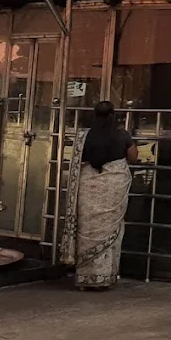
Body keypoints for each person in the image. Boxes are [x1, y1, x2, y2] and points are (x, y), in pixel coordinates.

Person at [59, 101, 138, 290]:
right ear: (113, 115)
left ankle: (85, 279)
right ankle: (105, 278)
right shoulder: (121, 135)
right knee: (110, 231)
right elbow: (133, 157)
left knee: (86, 229)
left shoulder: (83, 137)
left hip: (87, 188)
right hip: (113, 188)